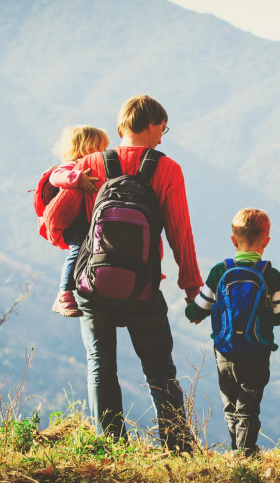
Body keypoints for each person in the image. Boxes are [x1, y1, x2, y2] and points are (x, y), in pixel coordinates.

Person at [72, 95, 203, 452]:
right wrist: (191, 286)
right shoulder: (167, 169)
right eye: (163, 127)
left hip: (94, 287)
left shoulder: (90, 164)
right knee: (160, 369)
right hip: (142, 288)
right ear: (149, 124)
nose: (163, 136)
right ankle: (178, 448)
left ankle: (111, 448)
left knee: (100, 365)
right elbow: (180, 231)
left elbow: (68, 225)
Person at [185, 208, 280, 456]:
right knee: (249, 406)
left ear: (233, 240)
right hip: (257, 352)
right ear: (266, 241)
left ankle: (238, 449)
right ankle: (245, 453)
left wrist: (192, 313)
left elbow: (198, 310)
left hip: (225, 352)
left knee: (230, 406)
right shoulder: (271, 275)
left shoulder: (219, 272)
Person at [41, 125, 109, 317]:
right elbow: (56, 177)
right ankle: (64, 293)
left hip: (87, 219)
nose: (103, 154)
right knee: (77, 250)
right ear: (87, 148)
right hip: (75, 221)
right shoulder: (70, 166)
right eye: (100, 148)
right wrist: (79, 178)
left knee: (87, 253)